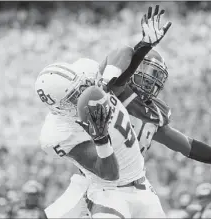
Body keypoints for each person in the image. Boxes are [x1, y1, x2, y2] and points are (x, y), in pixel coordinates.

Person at [44, 47, 211, 219]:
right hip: (96, 184)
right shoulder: (111, 93)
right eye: (144, 70)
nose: (149, 80)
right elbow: (121, 58)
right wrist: (142, 46)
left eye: (155, 76)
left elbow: (191, 147)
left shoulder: (151, 117)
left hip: (134, 186)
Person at [37, 5, 172, 218]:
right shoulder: (58, 133)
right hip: (107, 190)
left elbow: (123, 52)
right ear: (59, 108)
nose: (83, 93)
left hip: (141, 184)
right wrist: (100, 138)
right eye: (74, 96)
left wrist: (144, 45)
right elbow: (109, 174)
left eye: (81, 86)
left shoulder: (89, 76)